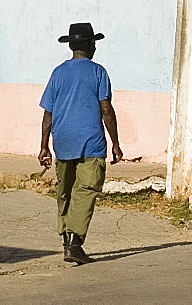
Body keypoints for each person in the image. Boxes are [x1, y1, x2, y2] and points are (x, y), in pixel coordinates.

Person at [38, 22, 122, 265]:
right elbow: (106, 109)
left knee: (65, 191)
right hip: (91, 143)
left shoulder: (58, 72)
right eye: (93, 42)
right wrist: (115, 143)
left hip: (62, 142)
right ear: (89, 45)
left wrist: (44, 145)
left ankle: (67, 241)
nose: (95, 46)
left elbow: (48, 114)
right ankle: (75, 244)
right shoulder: (98, 72)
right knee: (86, 190)